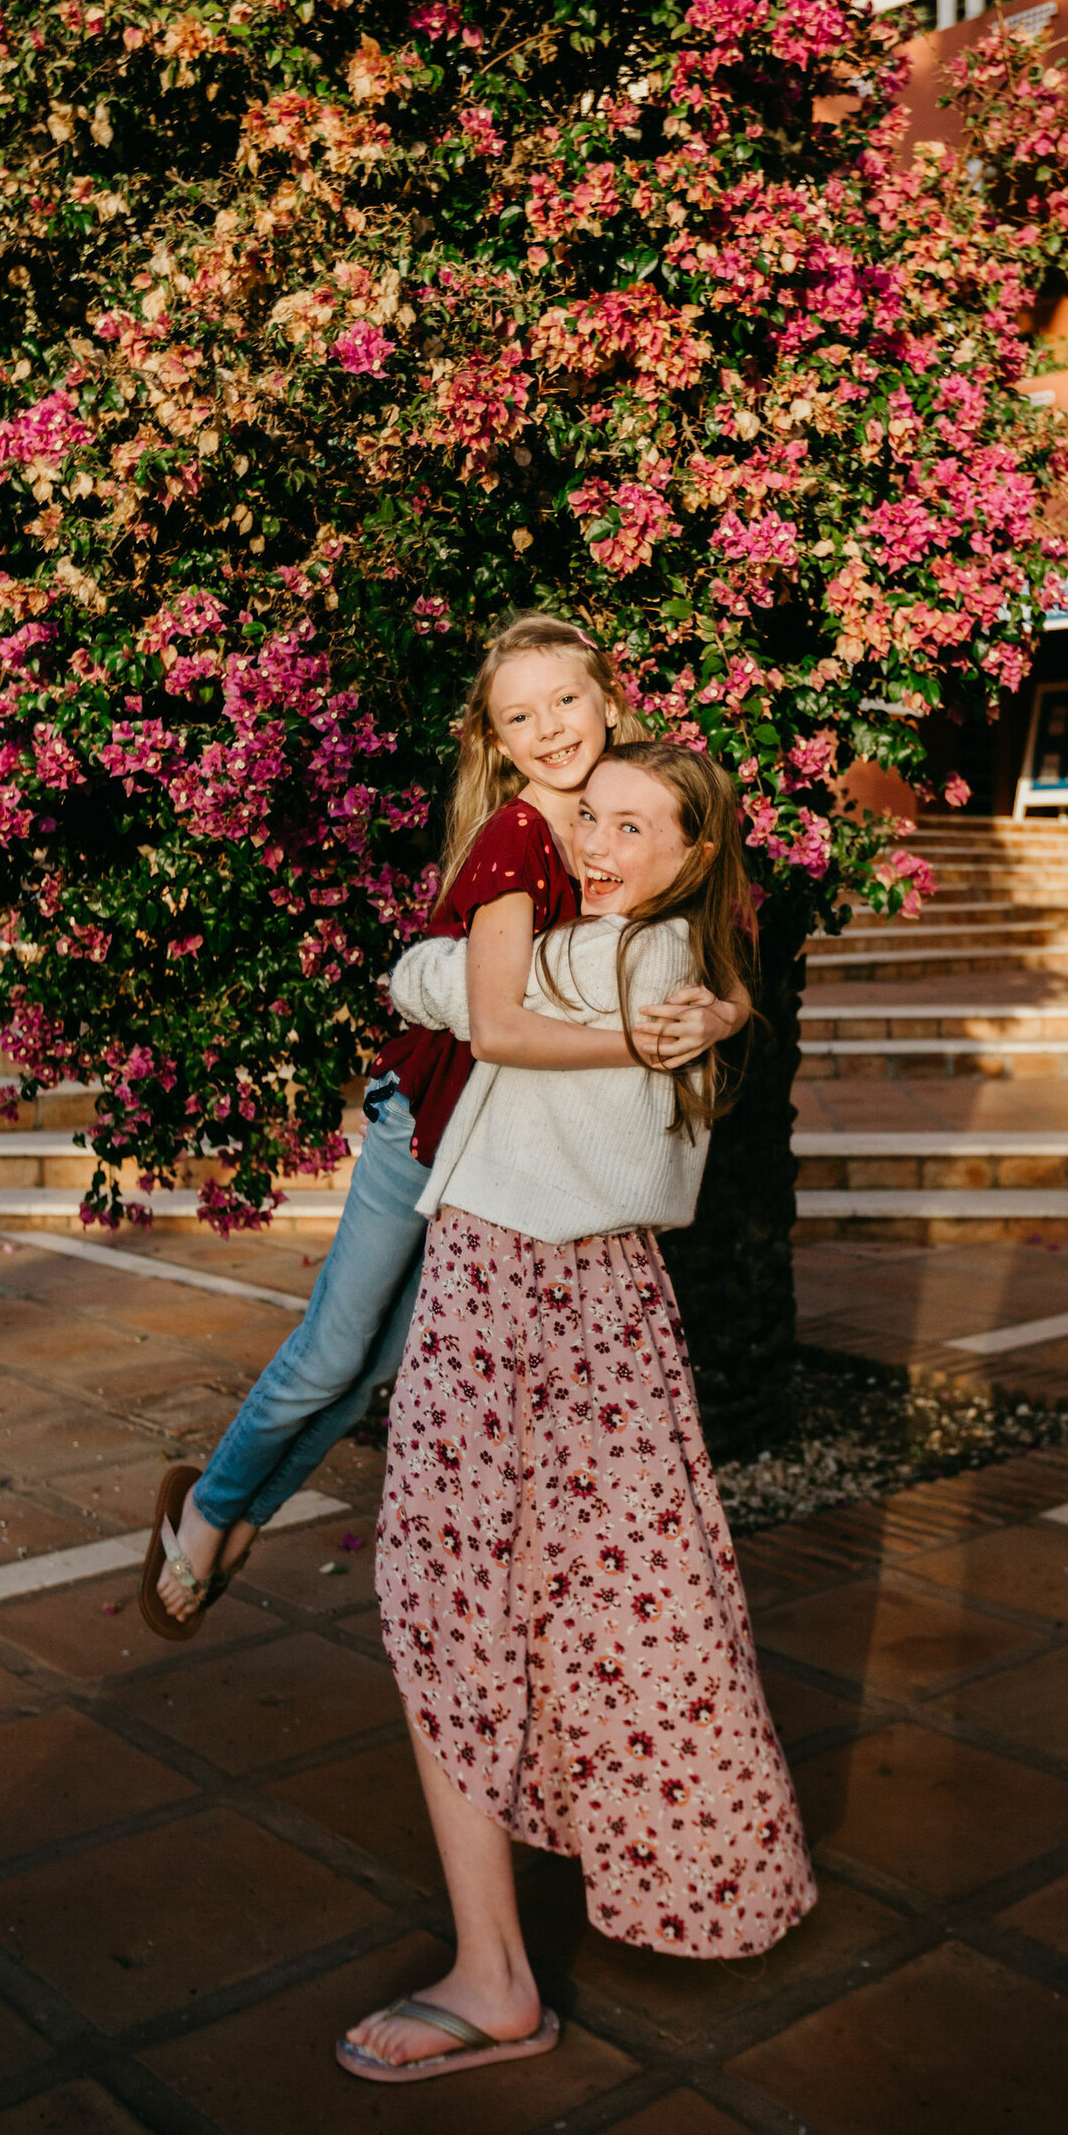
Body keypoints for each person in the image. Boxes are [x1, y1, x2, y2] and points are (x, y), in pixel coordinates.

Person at [338, 742, 816, 2084]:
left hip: (535, 1299)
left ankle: (496, 1975)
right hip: (528, 1299)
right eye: (588, 818)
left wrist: (481, 951)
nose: (595, 846)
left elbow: (447, 988)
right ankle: (508, 1954)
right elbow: (443, 985)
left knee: (463, 1604)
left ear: (692, 857)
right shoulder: (641, 963)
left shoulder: (644, 968)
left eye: (634, 828)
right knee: (560, 1608)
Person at [140, 616, 747, 1638]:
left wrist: (721, 1013)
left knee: (375, 1367)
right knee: (338, 1352)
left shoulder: (636, 802)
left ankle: (242, 1514)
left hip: (505, 1159)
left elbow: (709, 938)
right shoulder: (519, 834)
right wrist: (646, 1046)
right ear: (496, 742)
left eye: (565, 701)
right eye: (522, 716)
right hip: (430, 1121)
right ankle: (206, 1509)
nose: (552, 729)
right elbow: (503, 1023)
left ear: (607, 696)